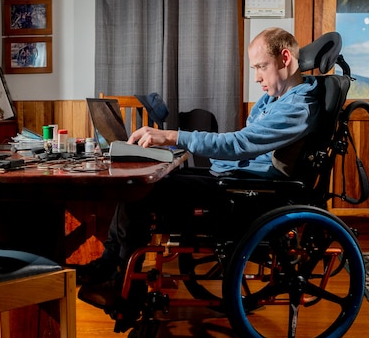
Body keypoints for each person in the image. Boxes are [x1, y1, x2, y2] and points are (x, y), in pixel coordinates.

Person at [77, 27, 321, 310]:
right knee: (147, 176)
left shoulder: (296, 107)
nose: (256, 77)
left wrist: (174, 136)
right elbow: (242, 145)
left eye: (261, 67)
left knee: (141, 186)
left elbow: (241, 143)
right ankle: (111, 264)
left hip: (253, 193)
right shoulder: (275, 99)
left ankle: (124, 287)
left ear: (285, 58)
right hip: (237, 178)